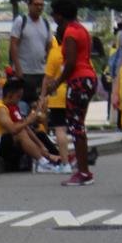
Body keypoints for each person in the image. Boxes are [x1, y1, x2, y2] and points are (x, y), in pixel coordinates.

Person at [44, 0, 98, 186]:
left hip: (78, 80)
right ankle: (83, 169)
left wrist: (57, 82)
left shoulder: (70, 33)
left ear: (59, 16)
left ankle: (83, 172)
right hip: (89, 78)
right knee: (78, 125)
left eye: (54, 14)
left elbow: (71, 63)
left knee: (76, 127)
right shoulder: (81, 29)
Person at [0, 76, 59, 171]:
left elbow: (24, 127)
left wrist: (41, 146)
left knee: (31, 133)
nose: (19, 100)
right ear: (9, 95)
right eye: (18, 97)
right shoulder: (0, 108)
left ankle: (46, 159)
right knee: (19, 133)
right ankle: (43, 162)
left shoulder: (9, 106)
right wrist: (28, 120)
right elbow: (13, 129)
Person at [9, 0, 52, 109]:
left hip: (41, 72)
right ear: (29, 5)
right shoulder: (21, 21)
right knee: (22, 104)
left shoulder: (45, 23)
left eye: (41, 5)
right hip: (24, 72)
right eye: (36, 4)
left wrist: (49, 68)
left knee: (39, 105)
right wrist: (18, 68)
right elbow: (13, 45)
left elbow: (49, 47)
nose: (39, 7)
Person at [41, 33, 71, 171]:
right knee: (77, 128)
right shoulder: (75, 52)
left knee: (60, 128)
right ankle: (80, 159)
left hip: (57, 94)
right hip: (74, 92)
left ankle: (65, 163)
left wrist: (43, 96)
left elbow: (47, 78)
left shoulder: (55, 53)